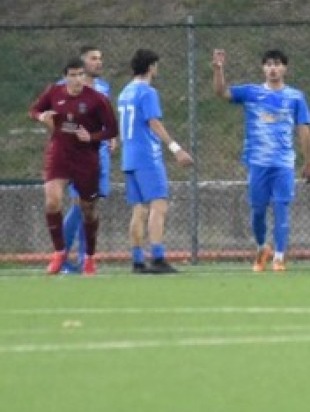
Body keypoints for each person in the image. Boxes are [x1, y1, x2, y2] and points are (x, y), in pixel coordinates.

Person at [212, 48, 310, 272]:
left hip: (283, 165)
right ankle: (262, 248)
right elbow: (222, 92)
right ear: (263, 68)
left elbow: (304, 130)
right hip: (257, 164)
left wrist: (308, 163)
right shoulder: (251, 93)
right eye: (269, 64)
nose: (273, 68)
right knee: (257, 212)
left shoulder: (295, 97)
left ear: (285, 68)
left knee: (281, 209)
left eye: (277, 64)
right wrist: (218, 69)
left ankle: (279, 256)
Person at [29, 57, 118, 275]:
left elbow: (112, 130)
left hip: (86, 158)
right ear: (65, 77)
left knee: (88, 209)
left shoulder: (97, 100)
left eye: (81, 75)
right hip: (59, 154)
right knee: (52, 200)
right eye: (73, 75)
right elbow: (34, 111)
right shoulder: (54, 93)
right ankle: (59, 253)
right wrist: (42, 117)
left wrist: (92, 136)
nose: (78, 79)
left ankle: (89, 257)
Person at [117, 49, 195, 274]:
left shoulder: (124, 92)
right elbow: (153, 122)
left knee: (139, 209)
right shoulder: (147, 92)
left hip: (129, 156)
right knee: (159, 205)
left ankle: (138, 260)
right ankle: (158, 258)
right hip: (146, 156)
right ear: (151, 67)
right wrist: (176, 148)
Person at [60, 45, 112, 274]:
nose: (98, 62)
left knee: (90, 204)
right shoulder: (64, 87)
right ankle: (61, 256)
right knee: (79, 204)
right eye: (93, 59)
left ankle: (84, 260)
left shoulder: (103, 87)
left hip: (99, 151)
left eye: (100, 58)